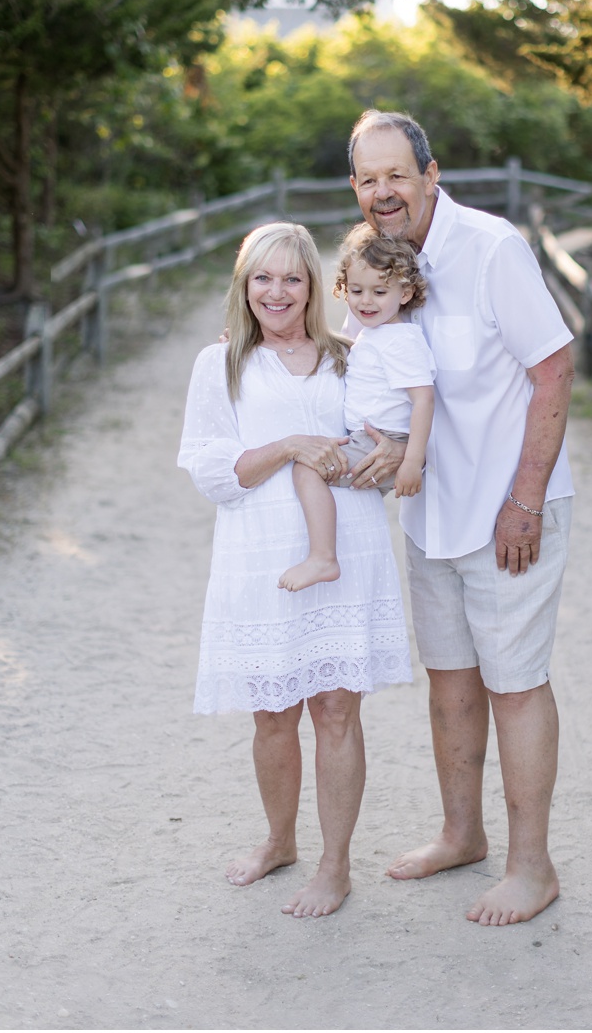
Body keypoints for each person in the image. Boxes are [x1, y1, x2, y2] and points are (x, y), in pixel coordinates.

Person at [343, 108, 575, 927]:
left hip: (507, 506)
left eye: (397, 174)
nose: (383, 192)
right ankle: (461, 833)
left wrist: (526, 499)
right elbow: (371, 379)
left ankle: (531, 866)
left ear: (431, 175)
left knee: (514, 684)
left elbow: (553, 368)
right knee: (450, 680)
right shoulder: (372, 263)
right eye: (368, 179)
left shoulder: (491, 249)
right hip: (428, 510)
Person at [177, 220, 413, 918]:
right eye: (262, 277)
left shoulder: (352, 358)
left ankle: (335, 866)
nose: (275, 291)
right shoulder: (219, 365)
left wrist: (387, 456)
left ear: (313, 285)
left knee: (337, 710)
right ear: (243, 285)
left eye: (291, 277)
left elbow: (388, 440)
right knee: (273, 714)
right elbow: (215, 474)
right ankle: (280, 840)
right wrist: (288, 446)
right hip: (262, 556)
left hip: (350, 551)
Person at [276, 223, 436, 592]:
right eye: (356, 290)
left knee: (307, 470)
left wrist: (412, 461)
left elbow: (424, 398)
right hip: (368, 438)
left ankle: (322, 558)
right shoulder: (376, 333)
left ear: (406, 292)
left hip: (383, 443)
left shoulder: (399, 341)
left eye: (380, 291)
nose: (366, 301)